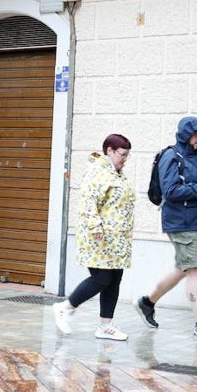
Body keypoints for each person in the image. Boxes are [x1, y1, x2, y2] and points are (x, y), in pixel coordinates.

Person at [133, 116, 197, 341]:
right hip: (181, 222)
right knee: (195, 269)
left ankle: (147, 302)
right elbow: (171, 191)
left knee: (183, 268)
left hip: (196, 221)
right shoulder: (171, 157)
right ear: (186, 134)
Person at [53, 133, 135, 341]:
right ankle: (66, 307)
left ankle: (105, 326)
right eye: (122, 154)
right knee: (101, 278)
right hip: (99, 237)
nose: (125, 159)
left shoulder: (116, 173)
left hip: (116, 239)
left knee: (114, 279)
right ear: (109, 150)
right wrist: (95, 226)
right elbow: (89, 201)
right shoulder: (98, 171)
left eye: (127, 155)